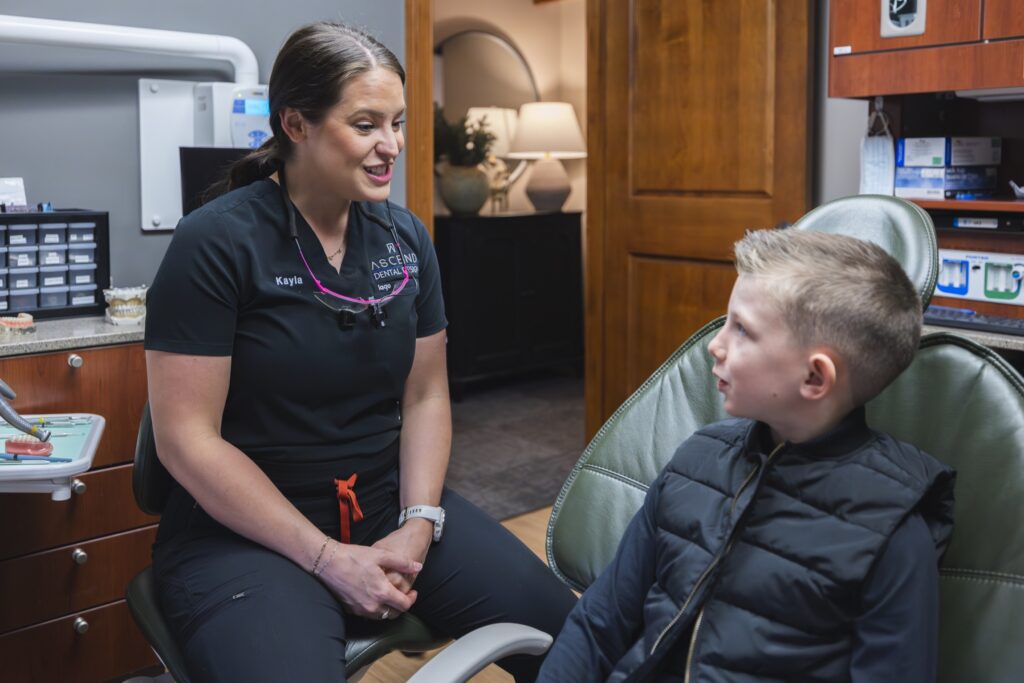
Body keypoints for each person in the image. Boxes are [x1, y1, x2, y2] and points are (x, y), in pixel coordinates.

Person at [144, 22, 576, 682]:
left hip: (385, 505)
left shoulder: (404, 239)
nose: (391, 146)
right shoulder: (215, 243)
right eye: (367, 124)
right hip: (246, 532)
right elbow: (186, 440)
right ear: (296, 123)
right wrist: (324, 555)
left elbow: (426, 394)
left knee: (577, 643)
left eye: (397, 123)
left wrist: (419, 521)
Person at [537, 229, 956, 682]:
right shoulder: (698, 459)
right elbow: (600, 624)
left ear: (815, 378)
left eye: (741, 329)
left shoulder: (891, 532)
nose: (715, 345)